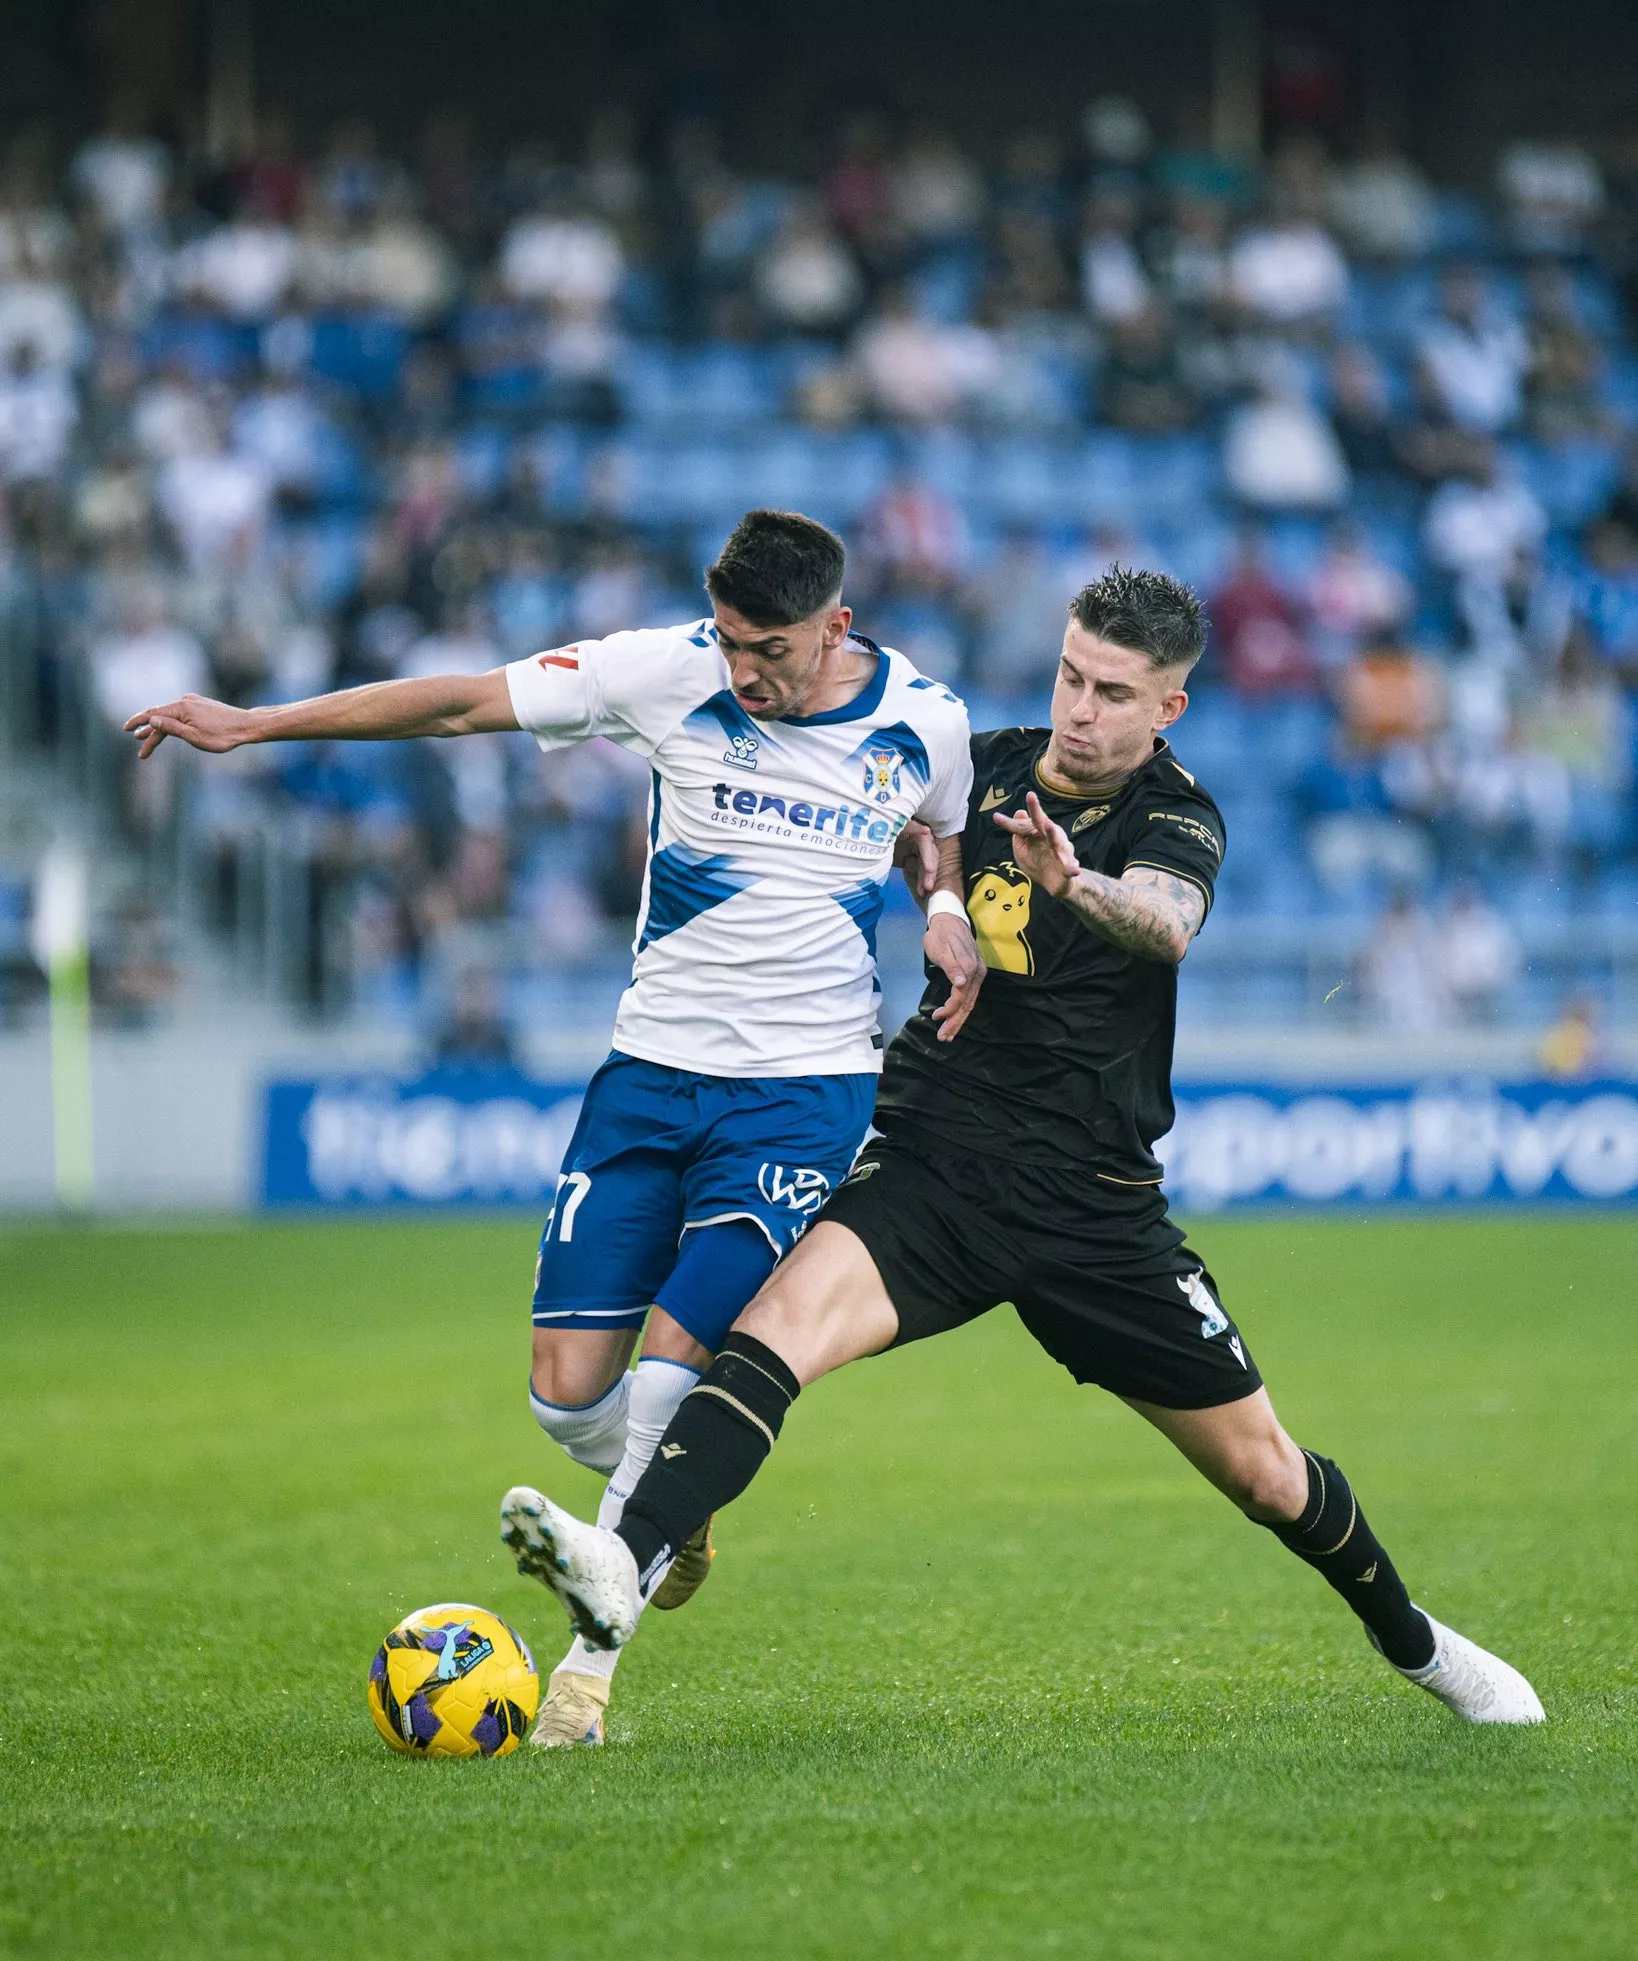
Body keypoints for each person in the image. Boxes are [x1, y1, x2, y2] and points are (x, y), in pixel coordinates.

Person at [502, 565, 1546, 1731]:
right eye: (1069, 675)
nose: (1080, 709)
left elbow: (1168, 923)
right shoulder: (982, 760)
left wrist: (1075, 880)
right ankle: (599, 1634)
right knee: (766, 1338)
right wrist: (933, 885)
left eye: (1112, 691)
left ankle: (1422, 1647)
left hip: (1095, 1209)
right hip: (932, 1163)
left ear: (1168, 709)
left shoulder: (1177, 815)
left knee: (1265, 1471)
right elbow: (907, 835)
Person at [125, 507, 981, 1746]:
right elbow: (462, 702)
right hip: (647, 1077)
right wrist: (258, 725)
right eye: (734, 641)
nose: (747, 670)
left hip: (804, 1092)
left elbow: (932, 826)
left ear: (836, 626)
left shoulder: (927, 718)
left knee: (684, 1349)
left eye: (773, 650)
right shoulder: (667, 672)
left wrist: (944, 905)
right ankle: (671, 1501)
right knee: (570, 1395)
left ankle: (586, 1670)